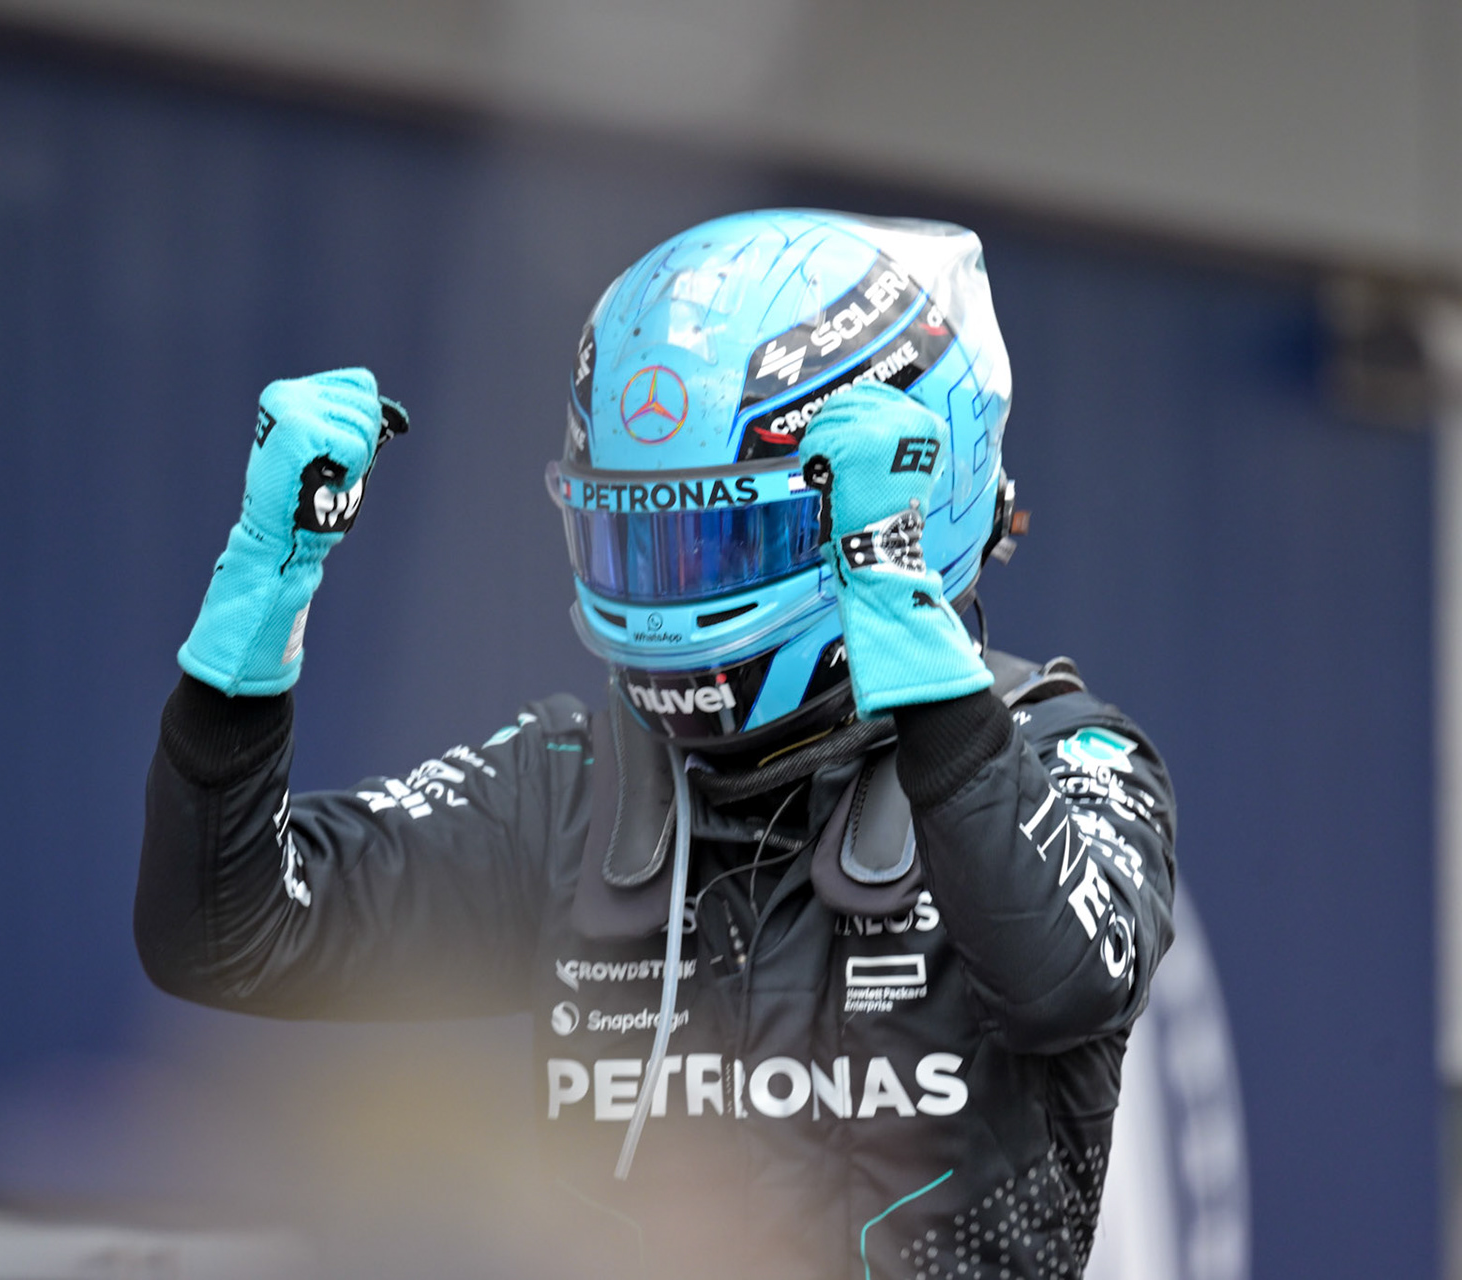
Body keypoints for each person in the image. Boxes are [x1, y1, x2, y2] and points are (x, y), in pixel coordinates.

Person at [135, 209, 1175, 1280]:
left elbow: (1064, 981)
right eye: (644, 538)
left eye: (727, 536)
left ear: (903, 509)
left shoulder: (1070, 754)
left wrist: (907, 628)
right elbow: (222, 930)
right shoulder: (571, 787)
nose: (679, 591)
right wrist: (263, 587)